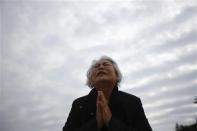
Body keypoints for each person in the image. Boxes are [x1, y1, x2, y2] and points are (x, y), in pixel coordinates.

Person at [63, 56, 152, 131]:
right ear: (91, 79)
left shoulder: (133, 101)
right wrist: (96, 123)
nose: (101, 67)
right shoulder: (79, 104)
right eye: (96, 66)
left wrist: (111, 121)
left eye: (106, 64)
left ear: (116, 75)